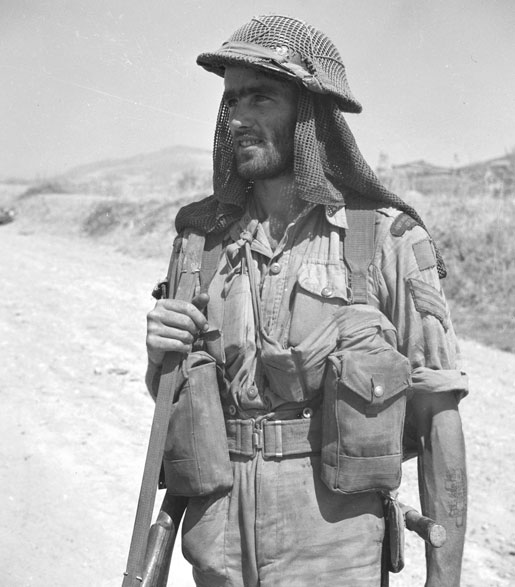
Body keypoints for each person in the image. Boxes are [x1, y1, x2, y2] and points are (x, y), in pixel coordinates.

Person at [145, 14, 468, 587]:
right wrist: (160, 354)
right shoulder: (200, 241)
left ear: (310, 116)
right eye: (232, 100)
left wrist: (443, 578)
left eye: (261, 99)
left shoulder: (389, 240)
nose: (237, 119)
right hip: (216, 539)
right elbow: (178, 398)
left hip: (334, 544)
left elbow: (437, 415)